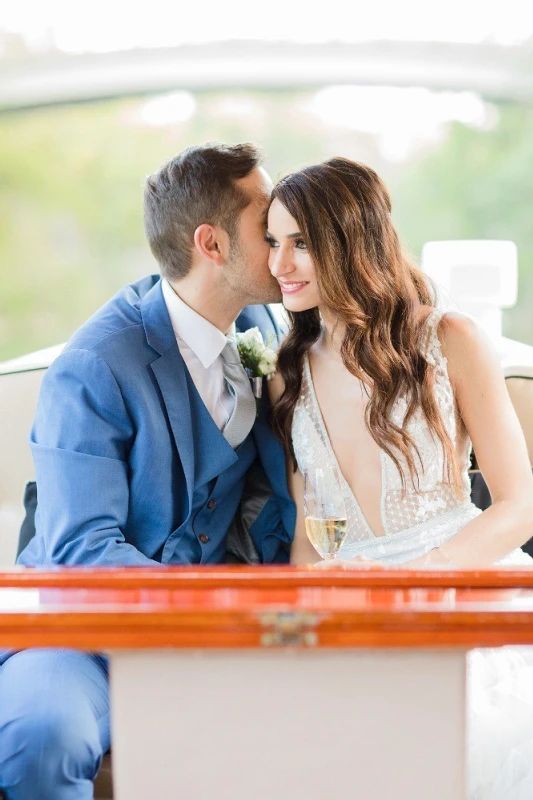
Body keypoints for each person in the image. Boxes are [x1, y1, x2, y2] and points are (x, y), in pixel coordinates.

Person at [0, 142, 295, 799]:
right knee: (41, 740)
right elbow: (83, 548)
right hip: (80, 631)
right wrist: (215, 612)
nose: (281, 245)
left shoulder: (266, 327)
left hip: (235, 623)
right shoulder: (95, 365)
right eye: (265, 227)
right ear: (210, 244)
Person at [265, 156, 533, 798]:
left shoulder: (449, 338)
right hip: (351, 605)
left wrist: (419, 581)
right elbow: (312, 534)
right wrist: (300, 623)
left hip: (460, 583)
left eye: (301, 242)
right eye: (273, 242)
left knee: (472, 732)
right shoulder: (288, 371)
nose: (281, 264)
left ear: (351, 237)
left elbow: (521, 506)